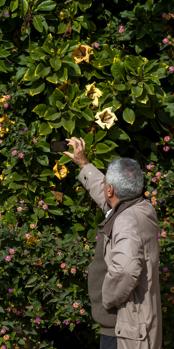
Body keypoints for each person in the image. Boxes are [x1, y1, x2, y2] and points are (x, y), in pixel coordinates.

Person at [64, 137, 162, 349]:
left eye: (107, 185)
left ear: (112, 191)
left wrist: (107, 299)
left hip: (123, 330)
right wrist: (84, 164)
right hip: (128, 325)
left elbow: (125, 271)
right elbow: (105, 195)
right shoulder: (138, 207)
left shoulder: (126, 220)